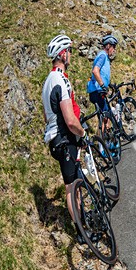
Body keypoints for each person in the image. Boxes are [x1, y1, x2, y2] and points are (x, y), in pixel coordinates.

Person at [42, 34, 86, 228]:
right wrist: (82, 133)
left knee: (74, 183)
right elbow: (70, 120)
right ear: (62, 54)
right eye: (70, 51)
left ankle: (83, 222)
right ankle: (80, 231)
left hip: (55, 140)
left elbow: (46, 117)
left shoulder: (47, 81)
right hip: (64, 139)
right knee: (71, 188)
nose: (71, 55)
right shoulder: (60, 80)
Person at [87, 34, 118, 134]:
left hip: (96, 91)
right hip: (97, 91)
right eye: (113, 46)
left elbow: (102, 74)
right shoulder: (103, 55)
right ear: (108, 46)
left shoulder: (105, 57)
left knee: (105, 115)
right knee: (105, 116)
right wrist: (102, 85)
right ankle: (102, 141)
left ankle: (104, 139)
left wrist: (108, 84)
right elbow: (95, 71)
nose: (114, 50)